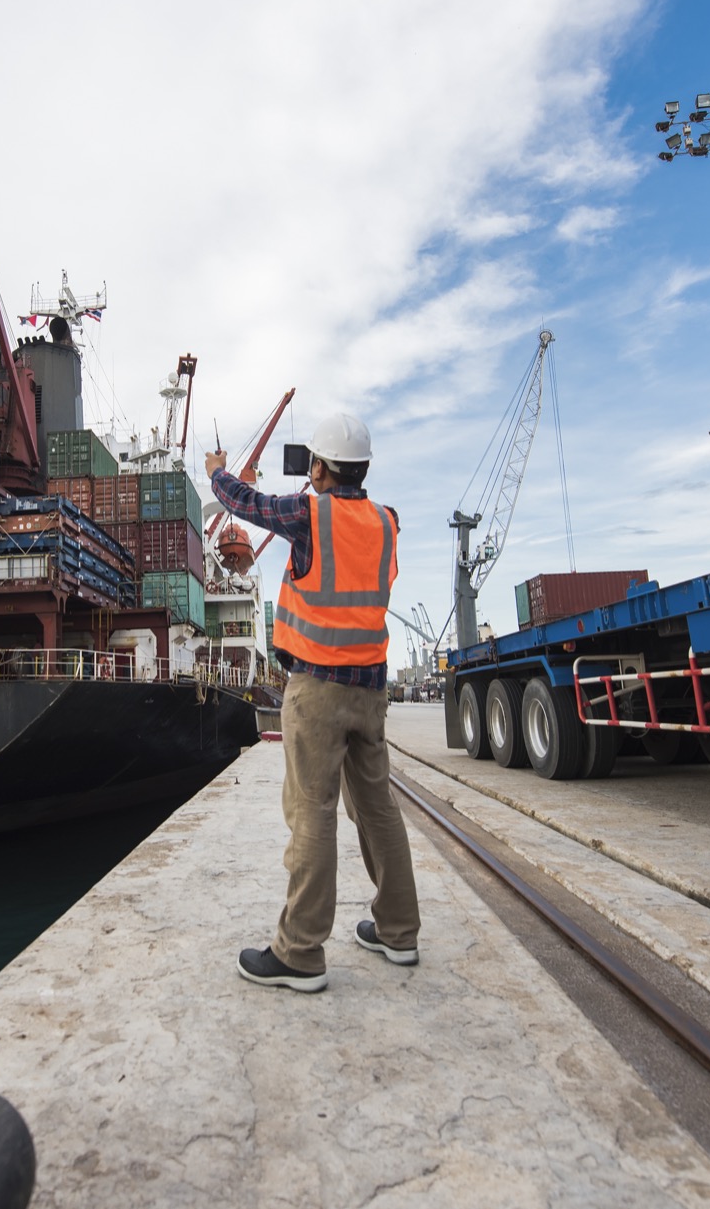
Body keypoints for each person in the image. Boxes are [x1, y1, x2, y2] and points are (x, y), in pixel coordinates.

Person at [206, 412, 420, 993]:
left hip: (318, 690)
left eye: (314, 465)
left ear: (319, 467)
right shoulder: (388, 521)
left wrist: (218, 475)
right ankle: (400, 932)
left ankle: (300, 953)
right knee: (377, 808)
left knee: (312, 811)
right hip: (371, 692)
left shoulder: (308, 513)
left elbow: (248, 504)